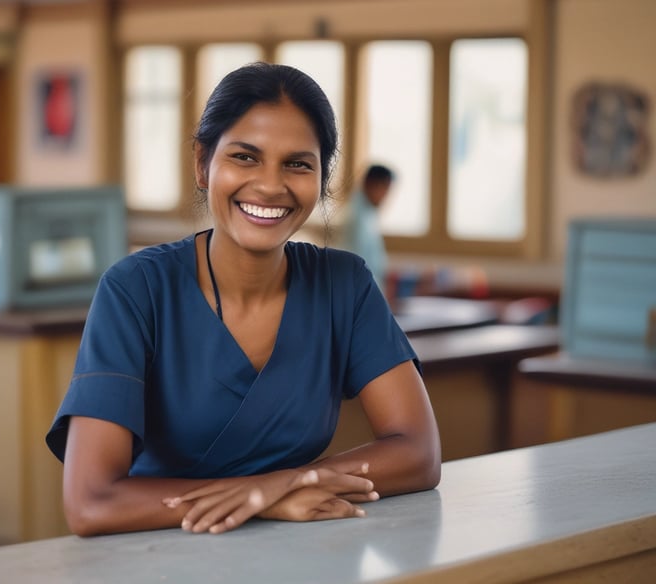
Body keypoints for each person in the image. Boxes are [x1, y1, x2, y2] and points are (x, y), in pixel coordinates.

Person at [46, 62, 440, 537]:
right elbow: (92, 502)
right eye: (245, 157)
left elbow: (419, 452)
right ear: (201, 163)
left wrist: (286, 484)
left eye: (297, 163)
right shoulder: (135, 290)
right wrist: (261, 500)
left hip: (299, 557)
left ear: (321, 178)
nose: (271, 185)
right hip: (157, 556)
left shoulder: (345, 285)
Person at [340, 164, 396, 293]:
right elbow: (358, 268)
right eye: (384, 189)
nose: (385, 197)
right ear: (370, 184)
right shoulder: (356, 219)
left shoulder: (368, 214)